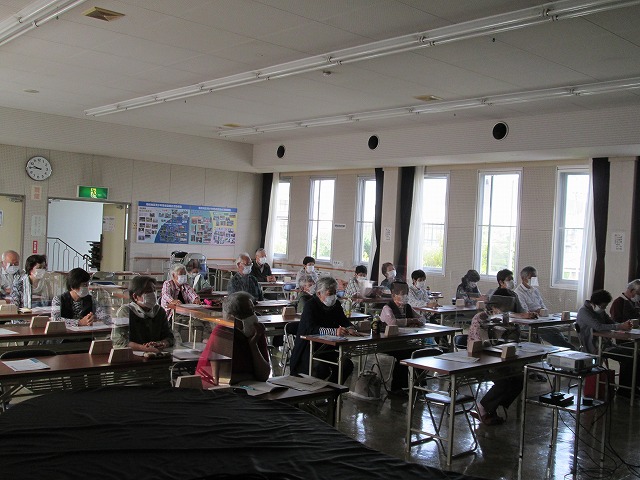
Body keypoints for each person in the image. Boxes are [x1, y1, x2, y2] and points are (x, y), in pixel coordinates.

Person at [290, 277, 359, 384]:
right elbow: (311, 329)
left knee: (346, 365)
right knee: (321, 368)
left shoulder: (336, 305)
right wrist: (334, 331)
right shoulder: (310, 306)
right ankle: (321, 391)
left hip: (328, 348)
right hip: (310, 348)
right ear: (319, 293)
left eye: (335, 293)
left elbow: (344, 320)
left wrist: (350, 328)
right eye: (330, 293)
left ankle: (332, 390)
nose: (333, 296)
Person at [196, 291, 270, 385]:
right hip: (215, 389)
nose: (253, 317)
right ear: (231, 318)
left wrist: (253, 345)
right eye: (245, 313)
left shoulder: (256, 332)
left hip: (249, 387)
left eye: (252, 311)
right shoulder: (222, 333)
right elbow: (221, 379)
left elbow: (263, 375)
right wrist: (251, 376)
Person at [468, 302, 523, 426]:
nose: (503, 312)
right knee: (503, 380)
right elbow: (484, 342)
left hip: (495, 356)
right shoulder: (481, 318)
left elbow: (508, 338)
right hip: (479, 358)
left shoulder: (500, 318)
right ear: (493, 307)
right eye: (501, 309)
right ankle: (482, 408)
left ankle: (491, 408)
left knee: (518, 378)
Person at [576, 290, 637, 397]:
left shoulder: (600, 311)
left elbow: (611, 322)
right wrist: (619, 326)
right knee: (629, 358)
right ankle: (625, 390)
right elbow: (598, 326)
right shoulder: (584, 311)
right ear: (595, 303)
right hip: (594, 346)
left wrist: (624, 325)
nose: (604, 308)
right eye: (603, 306)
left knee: (635, 353)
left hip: (606, 343)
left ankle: (634, 387)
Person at [379, 281, 424, 395]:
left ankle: (420, 385)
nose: (405, 296)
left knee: (419, 352)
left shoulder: (407, 307)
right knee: (404, 355)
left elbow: (422, 319)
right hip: (388, 343)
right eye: (402, 294)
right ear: (394, 295)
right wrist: (410, 321)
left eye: (406, 294)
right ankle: (396, 387)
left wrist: (416, 321)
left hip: (404, 341)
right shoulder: (387, 308)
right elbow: (392, 322)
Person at [514, 266, 573, 349]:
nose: (534, 280)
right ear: (523, 278)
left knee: (556, 330)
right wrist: (538, 311)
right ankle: (569, 348)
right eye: (531, 277)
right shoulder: (518, 292)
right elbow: (525, 311)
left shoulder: (535, 290)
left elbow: (543, 307)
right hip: (528, 323)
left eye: (535, 277)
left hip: (541, 320)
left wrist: (541, 311)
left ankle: (565, 346)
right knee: (551, 332)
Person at [115, 276, 174, 352]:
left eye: (154, 291)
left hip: (156, 354)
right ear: (135, 296)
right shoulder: (125, 312)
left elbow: (169, 336)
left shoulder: (159, 311)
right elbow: (119, 341)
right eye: (148, 291)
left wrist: (163, 343)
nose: (153, 294)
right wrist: (143, 348)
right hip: (132, 354)